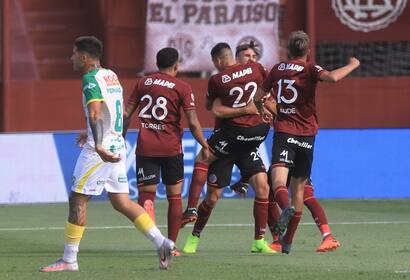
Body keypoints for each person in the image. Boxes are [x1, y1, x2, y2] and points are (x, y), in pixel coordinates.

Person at [39, 36, 175, 272]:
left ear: (84, 57)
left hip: (99, 150)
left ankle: (69, 260)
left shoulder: (90, 79)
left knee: (78, 200)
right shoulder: (110, 75)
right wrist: (105, 136)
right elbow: (113, 111)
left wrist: (99, 144)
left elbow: (95, 114)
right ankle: (161, 242)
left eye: (73, 53)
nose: (71, 58)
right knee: (122, 202)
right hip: (118, 144)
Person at [254, 30, 360, 254]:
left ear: (288, 51)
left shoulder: (277, 69)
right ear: (308, 51)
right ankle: (288, 241)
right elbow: (333, 77)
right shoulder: (311, 68)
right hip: (307, 135)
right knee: (300, 190)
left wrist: (268, 110)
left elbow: (256, 97)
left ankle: (286, 210)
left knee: (279, 183)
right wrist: (352, 64)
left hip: (284, 132)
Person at [182, 42, 275, 253]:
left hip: (233, 138)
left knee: (261, 186)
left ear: (218, 61)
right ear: (235, 56)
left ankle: (259, 241)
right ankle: (195, 236)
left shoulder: (217, 80)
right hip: (241, 138)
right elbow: (268, 94)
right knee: (214, 197)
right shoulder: (257, 69)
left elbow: (211, 108)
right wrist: (264, 110)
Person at [123, 47, 209, 257]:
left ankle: (148, 207)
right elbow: (193, 121)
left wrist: (120, 137)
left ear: (156, 63)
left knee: (146, 193)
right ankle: (172, 245)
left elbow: (126, 114)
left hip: (146, 146)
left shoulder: (143, 82)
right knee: (174, 197)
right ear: (176, 65)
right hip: (170, 148)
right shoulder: (182, 87)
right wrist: (204, 144)